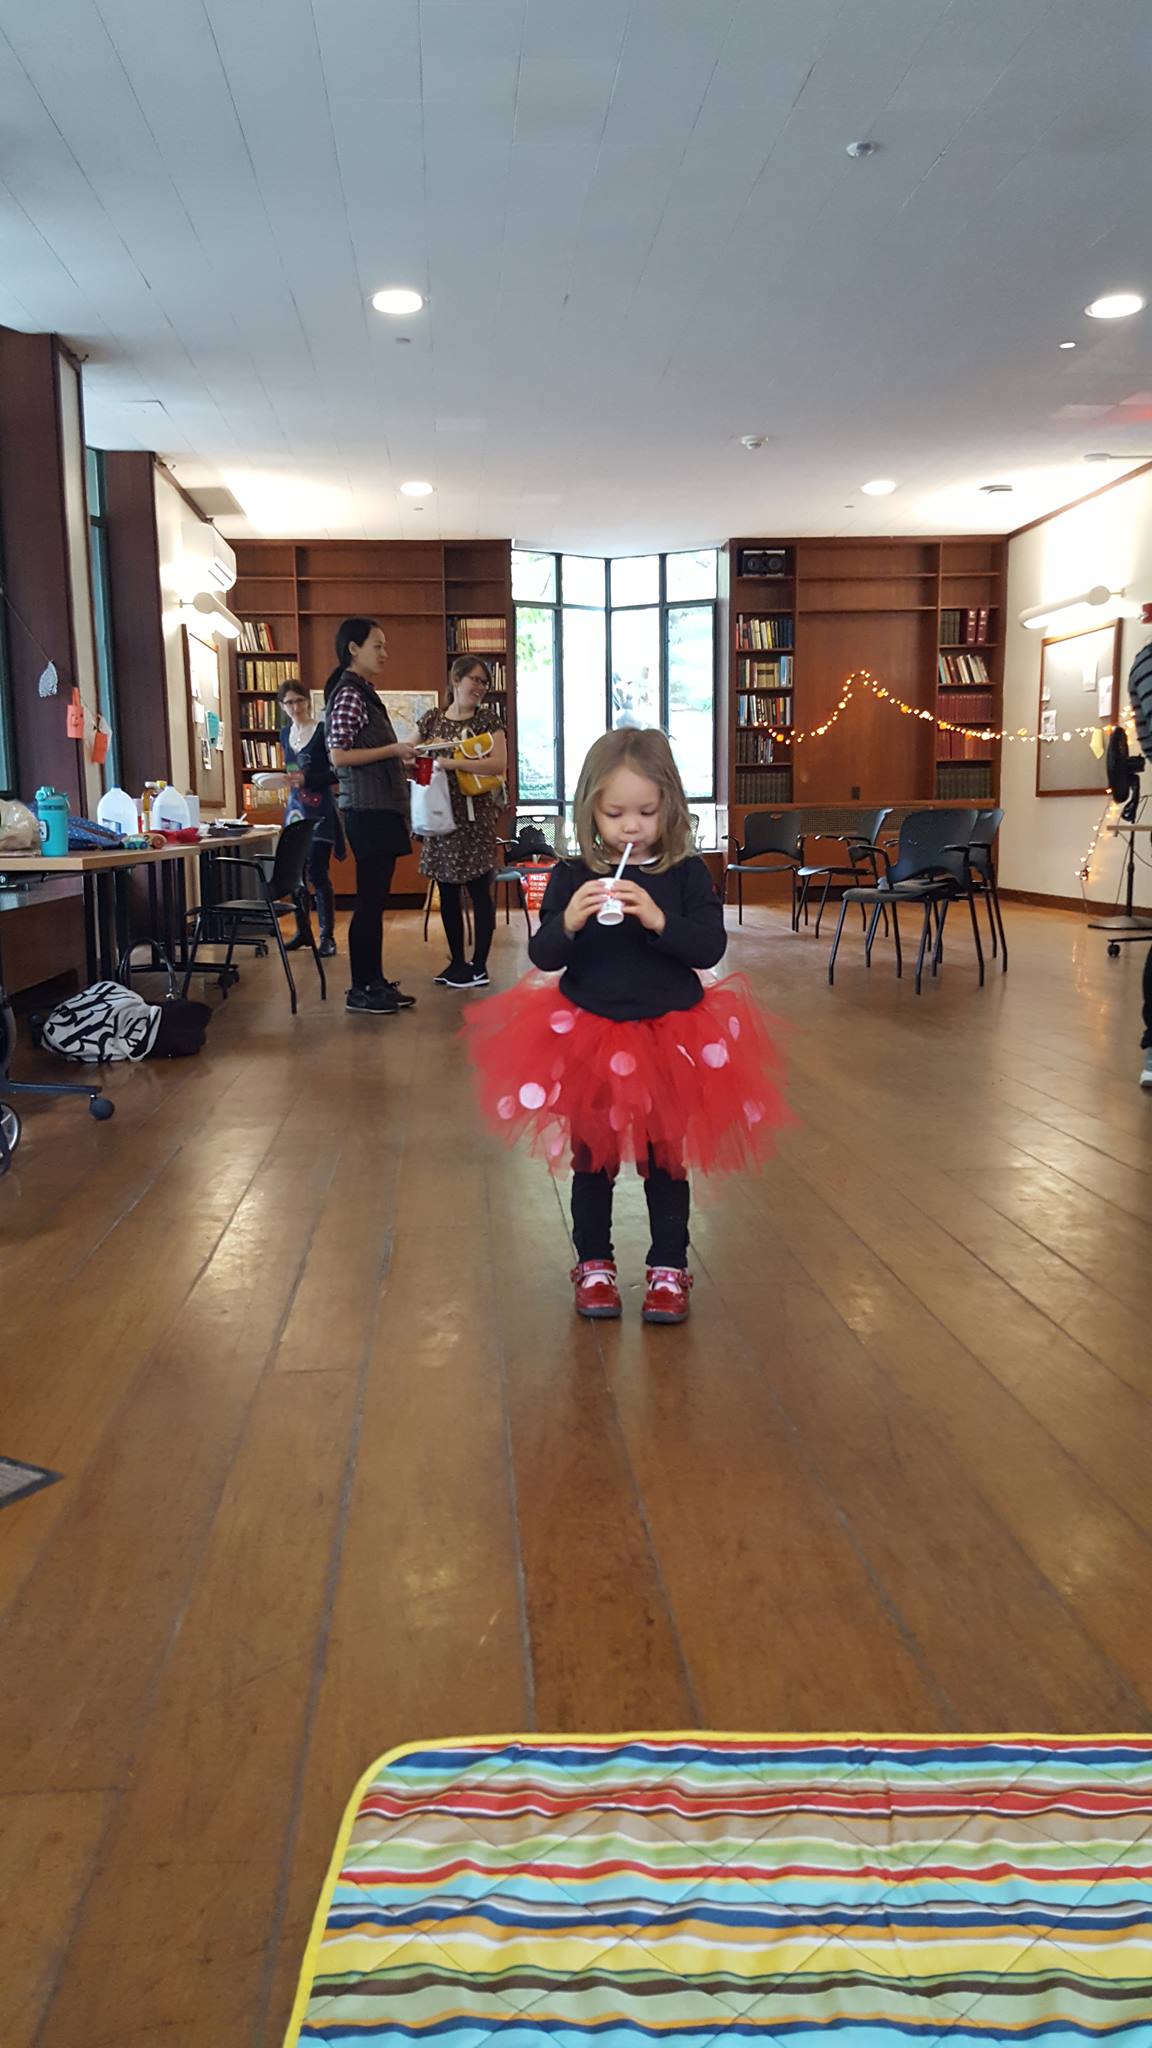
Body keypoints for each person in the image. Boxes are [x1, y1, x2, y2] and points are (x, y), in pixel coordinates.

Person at [465, 728, 789, 1324]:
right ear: (591, 809)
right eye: (614, 814)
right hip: (590, 1036)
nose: (631, 827)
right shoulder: (571, 875)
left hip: (669, 1037)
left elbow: (709, 947)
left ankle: (669, 1268)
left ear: (670, 806)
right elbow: (544, 955)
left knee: (666, 1160)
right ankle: (594, 1265)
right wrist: (569, 919)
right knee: (592, 1160)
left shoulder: (686, 873)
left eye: (646, 811)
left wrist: (661, 920)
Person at [324, 618, 417, 1016]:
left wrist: (399, 761)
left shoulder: (362, 692)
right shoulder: (349, 693)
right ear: (353, 648)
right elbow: (338, 755)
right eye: (377, 645)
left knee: (375, 902)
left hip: (378, 807)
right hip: (367, 810)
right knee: (369, 902)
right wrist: (393, 751)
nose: (384, 653)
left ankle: (374, 982)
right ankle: (361, 988)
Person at [417, 657, 508, 989]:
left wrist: (451, 762)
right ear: (456, 679)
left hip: (476, 819)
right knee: (448, 892)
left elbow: (498, 764)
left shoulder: (487, 720)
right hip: (441, 817)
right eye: (475, 679)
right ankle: (457, 963)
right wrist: (418, 755)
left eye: (484, 682)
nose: (480, 687)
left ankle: (479, 966)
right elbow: (410, 750)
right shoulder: (432, 719)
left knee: (480, 892)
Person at [277, 679, 342, 958]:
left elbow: (336, 772)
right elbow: (291, 768)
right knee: (296, 875)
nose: (295, 707)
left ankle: (327, 936)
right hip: (294, 811)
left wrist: (308, 779)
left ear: (307, 701)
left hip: (320, 810)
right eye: (289, 702)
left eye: (299, 700)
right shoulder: (284, 734)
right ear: (283, 706)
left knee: (318, 872)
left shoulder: (323, 730)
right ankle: (303, 931)